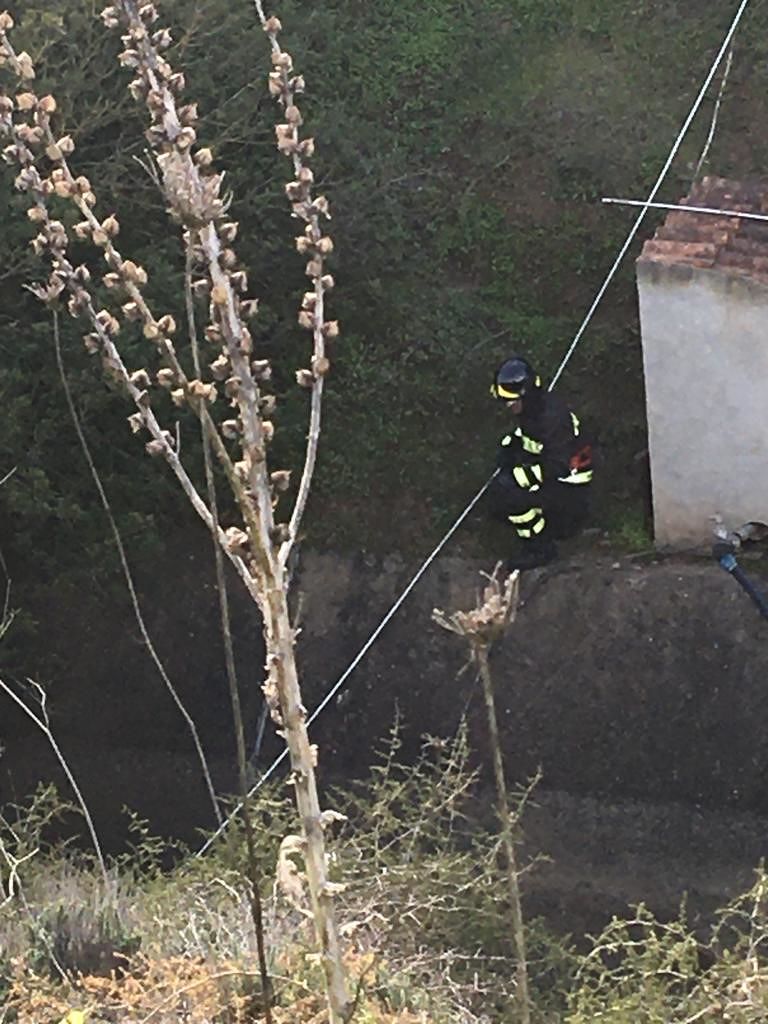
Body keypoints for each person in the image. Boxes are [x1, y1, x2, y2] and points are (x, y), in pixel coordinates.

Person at [488, 355, 593, 570]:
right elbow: (532, 440)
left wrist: (518, 476)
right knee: (500, 496)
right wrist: (512, 445)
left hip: (571, 492)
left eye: (512, 400)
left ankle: (541, 548)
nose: (508, 405)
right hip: (557, 484)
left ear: (526, 394)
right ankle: (541, 534)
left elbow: (558, 465)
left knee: (509, 494)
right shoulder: (533, 411)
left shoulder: (553, 418)